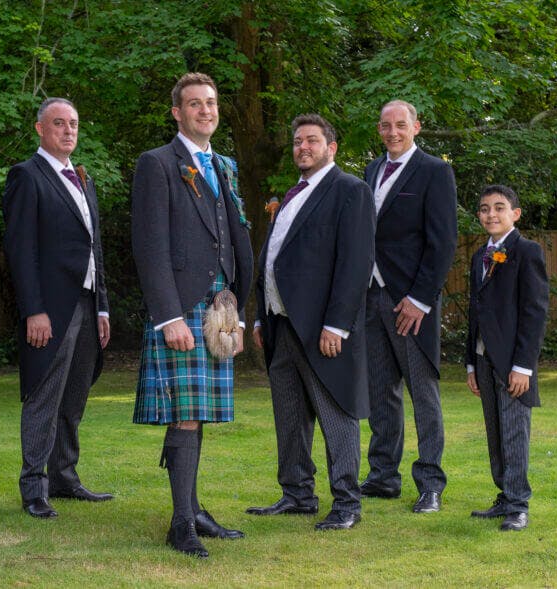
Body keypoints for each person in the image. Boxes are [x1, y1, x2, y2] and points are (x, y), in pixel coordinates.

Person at [131, 72, 254, 557]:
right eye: (195, 104)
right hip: (183, 306)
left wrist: (239, 316)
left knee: (197, 414)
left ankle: (194, 509)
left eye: (211, 103)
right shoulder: (158, 163)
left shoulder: (223, 165)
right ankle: (181, 524)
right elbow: (150, 246)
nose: (206, 110)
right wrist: (169, 316)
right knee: (185, 414)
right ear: (177, 113)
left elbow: (236, 237)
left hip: (220, 307)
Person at [246, 114, 375, 531]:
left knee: (336, 413)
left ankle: (347, 503)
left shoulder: (349, 191)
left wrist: (337, 324)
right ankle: (298, 494)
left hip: (322, 328)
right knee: (288, 414)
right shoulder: (290, 195)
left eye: (312, 141)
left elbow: (355, 263)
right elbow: (273, 257)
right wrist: (262, 315)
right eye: (298, 140)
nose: (303, 147)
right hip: (282, 326)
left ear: (331, 148)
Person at [2, 97, 112, 519]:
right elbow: (20, 249)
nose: (69, 131)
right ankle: (34, 487)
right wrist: (34, 310)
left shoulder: (83, 179)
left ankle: (64, 477)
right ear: (40, 129)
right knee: (43, 396)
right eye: (59, 124)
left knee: (74, 397)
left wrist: (102, 306)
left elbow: (93, 248)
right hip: (50, 309)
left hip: (87, 304)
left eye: (74, 124)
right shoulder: (26, 177)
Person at [361, 100, 458, 513]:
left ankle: (431, 483)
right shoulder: (370, 171)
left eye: (401, 125)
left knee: (423, 393)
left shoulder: (435, 171)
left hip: (411, 302)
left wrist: (420, 300)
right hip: (371, 296)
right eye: (386, 126)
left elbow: (442, 243)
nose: (393, 132)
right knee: (381, 392)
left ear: (416, 126)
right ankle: (383, 477)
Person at [466, 185, 549, 531]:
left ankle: (518, 504)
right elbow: (476, 311)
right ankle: (504, 494)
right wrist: (471, 361)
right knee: (495, 432)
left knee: (514, 431)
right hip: (484, 359)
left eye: (499, 208)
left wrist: (523, 366)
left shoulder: (526, 251)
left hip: (513, 361)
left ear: (515, 214)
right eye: (485, 209)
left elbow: (534, 312)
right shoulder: (478, 257)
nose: (491, 214)